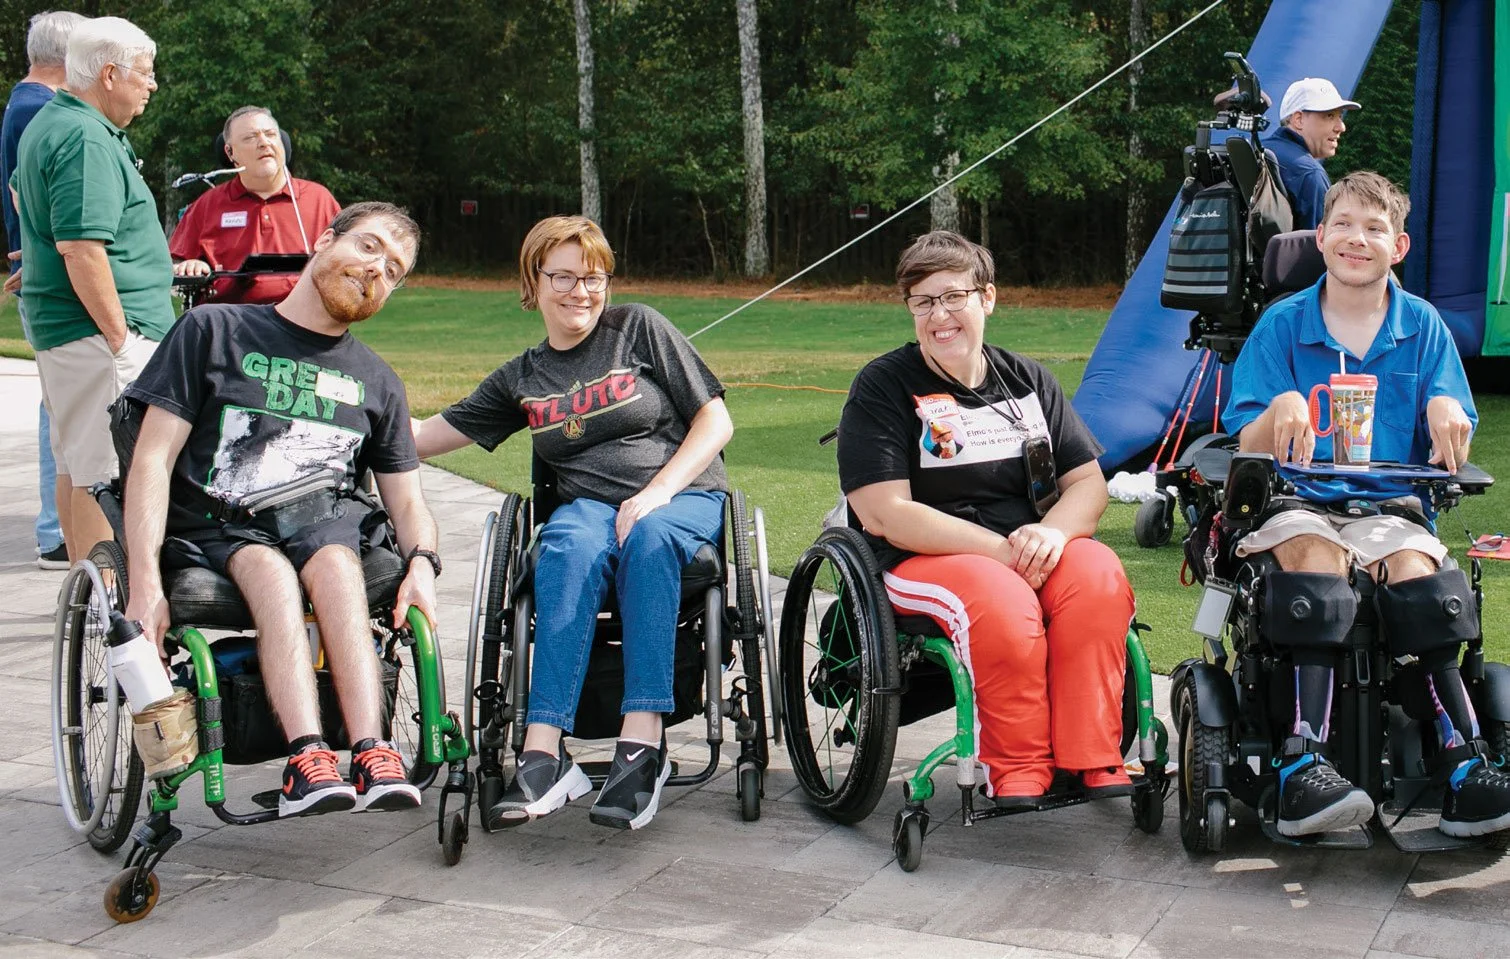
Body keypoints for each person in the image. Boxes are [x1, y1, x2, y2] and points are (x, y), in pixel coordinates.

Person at [412, 214, 733, 831]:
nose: (580, 292)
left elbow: (715, 422)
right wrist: (355, 408)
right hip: (586, 510)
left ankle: (641, 748)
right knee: (561, 546)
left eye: (593, 278)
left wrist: (658, 492)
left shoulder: (638, 328)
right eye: (563, 277)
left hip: (678, 499)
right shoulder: (523, 377)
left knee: (648, 535)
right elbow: (425, 436)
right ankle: (542, 753)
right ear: (533, 281)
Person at [121, 202, 439, 818]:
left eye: (394, 269)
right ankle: (307, 756)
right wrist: (143, 584)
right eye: (369, 248)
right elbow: (152, 461)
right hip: (224, 523)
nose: (378, 270)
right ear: (325, 239)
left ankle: (373, 752)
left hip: (324, 525)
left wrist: (423, 562)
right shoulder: (214, 331)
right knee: (268, 571)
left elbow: (407, 499)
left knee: (339, 564)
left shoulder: (378, 381)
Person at [1224, 170, 1510, 838]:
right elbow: (1245, 438)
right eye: (1344, 225)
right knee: (1315, 562)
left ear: (1399, 245)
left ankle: (1464, 763)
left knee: (1426, 583)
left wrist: (1447, 409)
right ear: (1320, 237)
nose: (1358, 239)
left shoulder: (1425, 329)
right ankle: (1303, 764)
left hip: (1390, 509)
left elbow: (1455, 432)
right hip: (1300, 501)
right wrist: (1281, 408)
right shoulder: (1282, 326)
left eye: (1374, 228)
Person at [837, 230, 1135, 807]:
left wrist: (1052, 533)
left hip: (1029, 543)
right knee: (1000, 599)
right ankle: (1018, 764)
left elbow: (1087, 484)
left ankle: (1092, 753)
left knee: (1097, 577)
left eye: (954, 297)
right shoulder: (884, 386)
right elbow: (885, 511)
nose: (939, 315)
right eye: (923, 302)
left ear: (988, 298)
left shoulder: (1027, 380)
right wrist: (1000, 551)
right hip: (925, 556)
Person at [13, 16, 173, 565]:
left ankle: (87, 606)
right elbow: (81, 247)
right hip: (97, 339)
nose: (151, 85)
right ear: (110, 74)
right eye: (145, 74)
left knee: (76, 468)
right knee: (102, 472)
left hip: (77, 333)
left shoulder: (60, 122)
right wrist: (121, 339)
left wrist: (35, 259)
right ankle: (105, 613)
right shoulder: (82, 135)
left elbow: (26, 201)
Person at [2, 10, 85, 569]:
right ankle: (58, 532)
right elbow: (25, 195)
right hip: (53, 280)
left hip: (37, 273)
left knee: (58, 402)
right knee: (65, 406)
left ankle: (58, 529)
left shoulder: (22, 105)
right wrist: (39, 251)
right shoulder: (41, 110)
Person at [169, 105, 339, 304]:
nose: (264, 143)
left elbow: (344, 259)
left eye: (270, 134)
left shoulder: (319, 199)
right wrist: (189, 265)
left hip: (302, 322)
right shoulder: (207, 205)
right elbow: (173, 263)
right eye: (250, 137)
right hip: (228, 322)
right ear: (230, 152)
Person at [1266, 77, 1359, 230]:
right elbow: (1320, 248)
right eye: (1329, 116)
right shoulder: (1309, 173)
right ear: (1298, 119)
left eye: (1339, 116)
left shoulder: (1259, 150)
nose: (1341, 127)